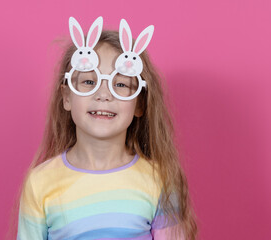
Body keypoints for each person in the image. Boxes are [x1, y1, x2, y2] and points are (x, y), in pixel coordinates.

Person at [13, 16, 198, 240]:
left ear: (139, 103)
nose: (104, 95)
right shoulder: (40, 183)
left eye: (120, 84)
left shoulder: (159, 179)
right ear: (67, 97)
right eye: (89, 82)